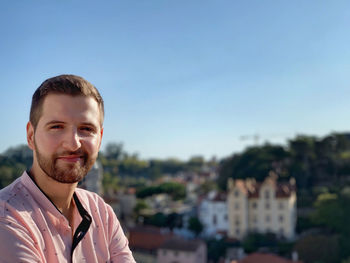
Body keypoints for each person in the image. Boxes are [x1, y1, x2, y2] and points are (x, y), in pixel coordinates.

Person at [0, 75, 135, 262]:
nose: (73, 144)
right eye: (56, 126)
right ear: (31, 136)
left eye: (86, 129)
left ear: (100, 138)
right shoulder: (6, 217)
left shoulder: (102, 212)